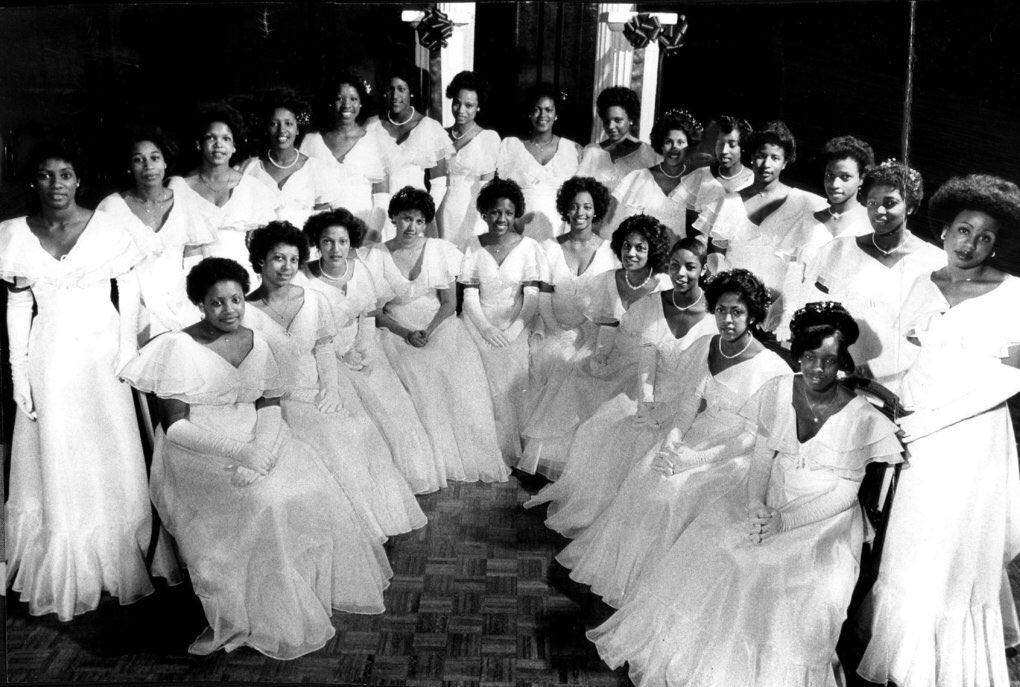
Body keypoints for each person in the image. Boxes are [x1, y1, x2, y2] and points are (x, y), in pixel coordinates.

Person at [588, 301, 902, 687]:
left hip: (824, 519)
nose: (817, 370)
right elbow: (761, 455)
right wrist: (756, 504)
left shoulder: (863, 418)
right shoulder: (778, 389)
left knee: (760, 570)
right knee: (707, 542)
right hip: (771, 495)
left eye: (828, 360)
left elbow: (844, 494)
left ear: (843, 362)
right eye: (808, 357)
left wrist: (785, 521)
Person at [120, 257, 392, 659]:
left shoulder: (256, 341)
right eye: (217, 303)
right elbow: (176, 427)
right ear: (199, 304)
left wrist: (260, 450)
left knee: (311, 486)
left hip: (257, 435)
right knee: (264, 501)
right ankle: (254, 608)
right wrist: (241, 453)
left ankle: (298, 592)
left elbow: (268, 403)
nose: (229, 310)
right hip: (196, 450)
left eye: (235, 300)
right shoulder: (176, 346)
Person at [857, 175, 1020, 687]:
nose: (971, 244)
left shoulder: (1014, 292)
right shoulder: (919, 282)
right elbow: (901, 363)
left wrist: (937, 415)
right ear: (944, 229)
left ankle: (950, 669)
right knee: (911, 544)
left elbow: (1012, 375)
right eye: (963, 230)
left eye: (986, 237)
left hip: (972, 435)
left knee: (956, 548)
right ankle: (907, 660)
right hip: (918, 432)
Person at [2, 146, 176, 621]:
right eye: (45, 175)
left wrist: (125, 351)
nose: (56, 184)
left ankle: (120, 557)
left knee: (109, 448)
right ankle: (65, 563)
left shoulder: (107, 226)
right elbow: (18, 304)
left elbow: (132, 289)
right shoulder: (14, 234)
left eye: (65, 174)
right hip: (50, 356)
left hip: (102, 356)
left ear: (79, 180)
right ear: (33, 182)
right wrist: (20, 373)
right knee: (58, 452)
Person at [558, 269, 789, 607]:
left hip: (732, 457)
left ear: (753, 315)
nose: (727, 319)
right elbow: (690, 404)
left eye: (737, 312)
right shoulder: (712, 345)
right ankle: (625, 582)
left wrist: (693, 460)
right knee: (642, 479)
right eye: (722, 310)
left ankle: (653, 596)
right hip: (695, 437)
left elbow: (752, 439)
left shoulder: (773, 368)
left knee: (672, 496)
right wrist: (672, 441)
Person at [243, 221, 425, 537]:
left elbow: (324, 347)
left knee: (357, 434)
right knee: (327, 443)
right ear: (259, 261)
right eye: (277, 259)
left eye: (292, 260)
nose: (286, 268)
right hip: (277, 401)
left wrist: (330, 389)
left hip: (319, 389)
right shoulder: (246, 311)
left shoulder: (313, 300)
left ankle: (365, 528)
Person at [362, 186, 507, 483]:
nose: (412, 227)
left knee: (451, 371)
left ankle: (457, 457)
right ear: (393, 218)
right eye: (405, 219)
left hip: (438, 324)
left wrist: (427, 331)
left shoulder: (439, 250)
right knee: (414, 376)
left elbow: (449, 303)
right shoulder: (376, 255)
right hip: (397, 328)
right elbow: (375, 312)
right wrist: (405, 333)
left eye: (418, 221)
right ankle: (426, 463)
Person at [520, 214, 673, 478]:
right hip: (607, 349)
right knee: (576, 376)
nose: (631, 253)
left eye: (640, 248)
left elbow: (666, 335)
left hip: (644, 360)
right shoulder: (607, 279)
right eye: (627, 246)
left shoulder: (663, 285)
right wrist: (600, 354)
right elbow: (606, 323)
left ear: (653, 251)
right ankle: (571, 469)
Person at [302, 209, 440, 495]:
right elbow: (309, 333)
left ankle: (404, 481)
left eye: (342, 241)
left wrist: (362, 349)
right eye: (327, 242)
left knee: (391, 407)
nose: (335, 249)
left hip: (362, 347)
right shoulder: (305, 277)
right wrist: (342, 355)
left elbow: (367, 314)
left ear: (351, 242)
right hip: (324, 355)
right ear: (317, 243)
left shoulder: (361, 269)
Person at [794, 160, 945, 393]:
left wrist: (870, 370)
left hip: (899, 384)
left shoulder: (934, 262)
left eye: (890, 203)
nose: (879, 211)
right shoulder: (838, 249)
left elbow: (930, 338)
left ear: (911, 207)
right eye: (873, 203)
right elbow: (810, 314)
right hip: (836, 375)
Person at [698, 120, 828, 331]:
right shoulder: (729, 202)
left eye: (775, 158)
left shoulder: (805, 203)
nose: (766, 164)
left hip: (778, 311)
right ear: (751, 157)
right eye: (761, 155)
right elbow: (716, 256)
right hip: (736, 309)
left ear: (785, 162)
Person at [522, 176, 619, 456]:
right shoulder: (550, 247)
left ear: (596, 210)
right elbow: (544, 296)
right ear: (566, 209)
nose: (580, 213)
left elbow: (607, 302)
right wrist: (558, 331)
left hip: (592, 332)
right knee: (558, 360)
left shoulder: (609, 251)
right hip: (551, 327)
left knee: (580, 365)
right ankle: (543, 454)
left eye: (587, 207)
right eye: (575, 206)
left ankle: (570, 456)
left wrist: (585, 332)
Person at [97, 127, 216, 341]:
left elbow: (196, 261)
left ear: (165, 162)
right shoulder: (112, 208)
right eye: (138, 160)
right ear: (129, 167)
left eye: (154, 158)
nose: (148, 166)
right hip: (133, 309)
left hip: (184, 305)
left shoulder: (184, 202)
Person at [459, 177, 547, 461]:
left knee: (512, 373)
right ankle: (483, 450)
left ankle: (511, 450)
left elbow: (531, 298)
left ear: (516, 214)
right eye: (495, 212)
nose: (501, 218)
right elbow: (469, 295)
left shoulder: (529, 247)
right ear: (484, 213)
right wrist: (485, 328)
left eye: (508, 213)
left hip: (515, 321)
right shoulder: (473, 245)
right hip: (477, 322)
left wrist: (513, 331)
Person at [775, 135, 876, 339]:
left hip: (848, 329)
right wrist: (787, 322)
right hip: (803, 324)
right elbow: (793, 279)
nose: (835, 184)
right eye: (830, 175)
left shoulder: (870, 225)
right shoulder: (808, 222)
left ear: (862, 179)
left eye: (845, 177)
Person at [168, 103, 278, 287]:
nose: (219, 144)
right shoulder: (179, 187)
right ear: (198, 144)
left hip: (242, 273)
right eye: (211, 137)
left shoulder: (251, 187)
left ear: (234, 146)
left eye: (226, 138)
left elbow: (266, 246)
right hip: (192, 273)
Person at [299, 73, 394, 240]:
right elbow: (300, 191)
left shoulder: (375, 141)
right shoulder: (311, 140)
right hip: (323, 234)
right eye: (339, 98)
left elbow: (381, 200)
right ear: (330, 102)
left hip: (364, 232)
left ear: (361, 103)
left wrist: (370, 236)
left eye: (353, 99)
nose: (346, 105)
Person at [496, 83, 582, 241]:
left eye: (549, 110)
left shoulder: (572, 149)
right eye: (537, 109)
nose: (543, 115)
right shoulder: (511, 146)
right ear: (530, 113)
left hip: (560, 230)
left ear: (556, 114)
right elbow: (502, 196)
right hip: (520, 229)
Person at [603, 109, 703, 242]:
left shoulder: (697, 182)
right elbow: (621, 226)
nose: (674, 148)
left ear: (689, 146)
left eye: (680, 142)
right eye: (668, 142)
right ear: (661, 145)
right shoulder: (638, 179)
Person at [239, 89, 334, 228]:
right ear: (266, 129)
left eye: (288, 123)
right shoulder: (248, 169)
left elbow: (324, 225)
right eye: (274, 124)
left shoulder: (315, 169)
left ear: (297, 129)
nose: (281, 130)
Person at [366, 64, 453, 210]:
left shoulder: (430, 127)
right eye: (390, 89)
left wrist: (425, 216)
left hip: (415, 213)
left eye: (401, 89)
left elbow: (439, 184)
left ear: (411, 92)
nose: (395, 96)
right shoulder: (372, 127)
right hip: (381, 209)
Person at [435, 71, 501, 250]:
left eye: (469, 105)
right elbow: (435, 185)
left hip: (472, 212)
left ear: (479, 107)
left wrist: (480, 224)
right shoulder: (440, 135)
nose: (461, 110)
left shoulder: (488, 138)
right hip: (442, 211)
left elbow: (486, 189)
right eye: (457, 103)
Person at [577, 86, 661, 196]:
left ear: (630, 119)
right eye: (607, 121)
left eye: (617, 120)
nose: (611, 126)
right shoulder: (591, 152)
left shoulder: (650, 155)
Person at [676, 115, 755, 232]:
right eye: (720, 144)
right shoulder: (700, 177)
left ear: (742, 147)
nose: (724, 151)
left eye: (732, 145)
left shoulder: (753, 181)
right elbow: (688, 229)